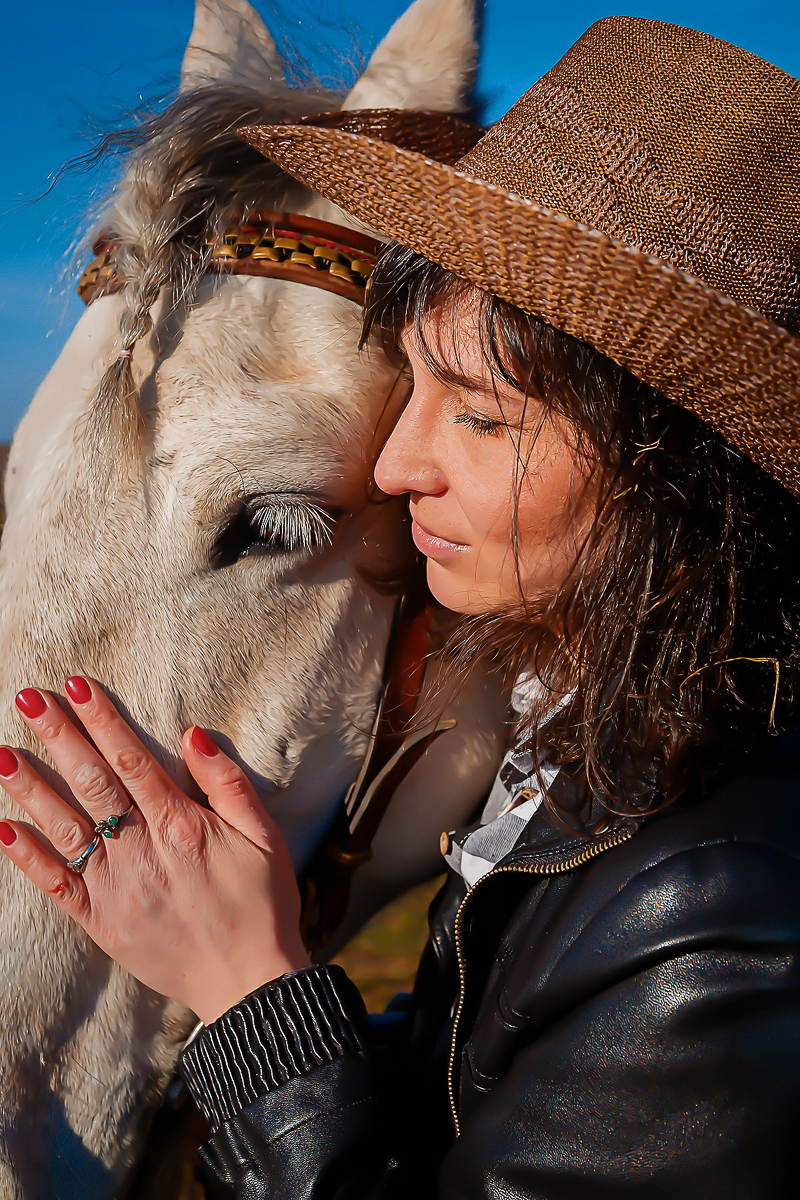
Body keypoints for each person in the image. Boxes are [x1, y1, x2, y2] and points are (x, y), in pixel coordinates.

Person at [1, 15, 799, 1196]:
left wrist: (250, 1008)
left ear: (663, 466)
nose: (390, 467)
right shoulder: (589, 764)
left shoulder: (718, 916)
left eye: (478, 414)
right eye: (410, 383)